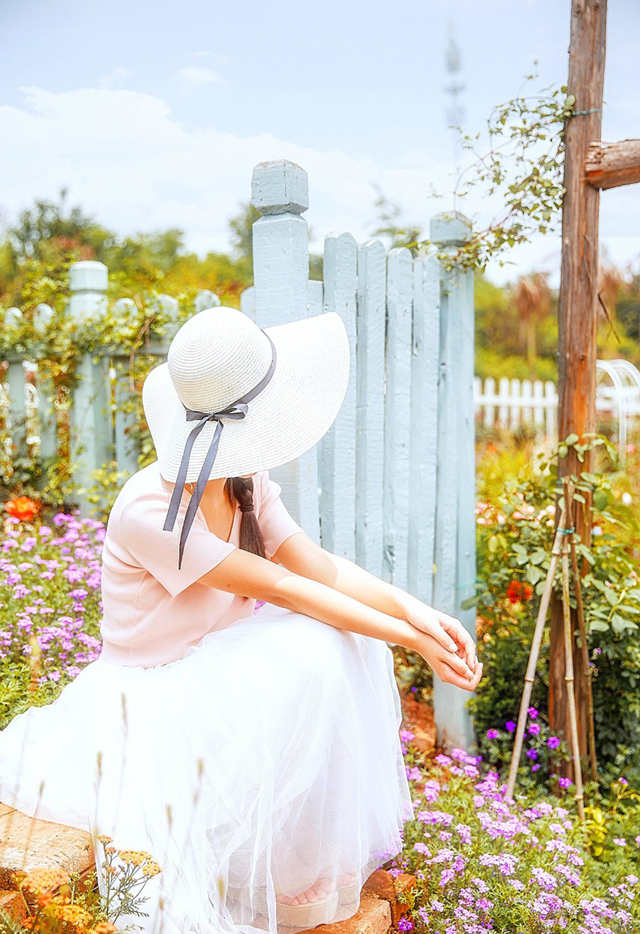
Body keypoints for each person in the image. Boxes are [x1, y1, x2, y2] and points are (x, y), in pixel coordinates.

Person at [0, 306, 482, 934]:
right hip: (151, 696)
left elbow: (320, 569)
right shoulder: (151, 508)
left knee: (346, 641)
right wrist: (414, 641)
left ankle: (296, 873)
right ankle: (268, 871)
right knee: (316, 645)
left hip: (221, 674)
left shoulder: (241, 481)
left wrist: (419, 613)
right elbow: (285, 586)